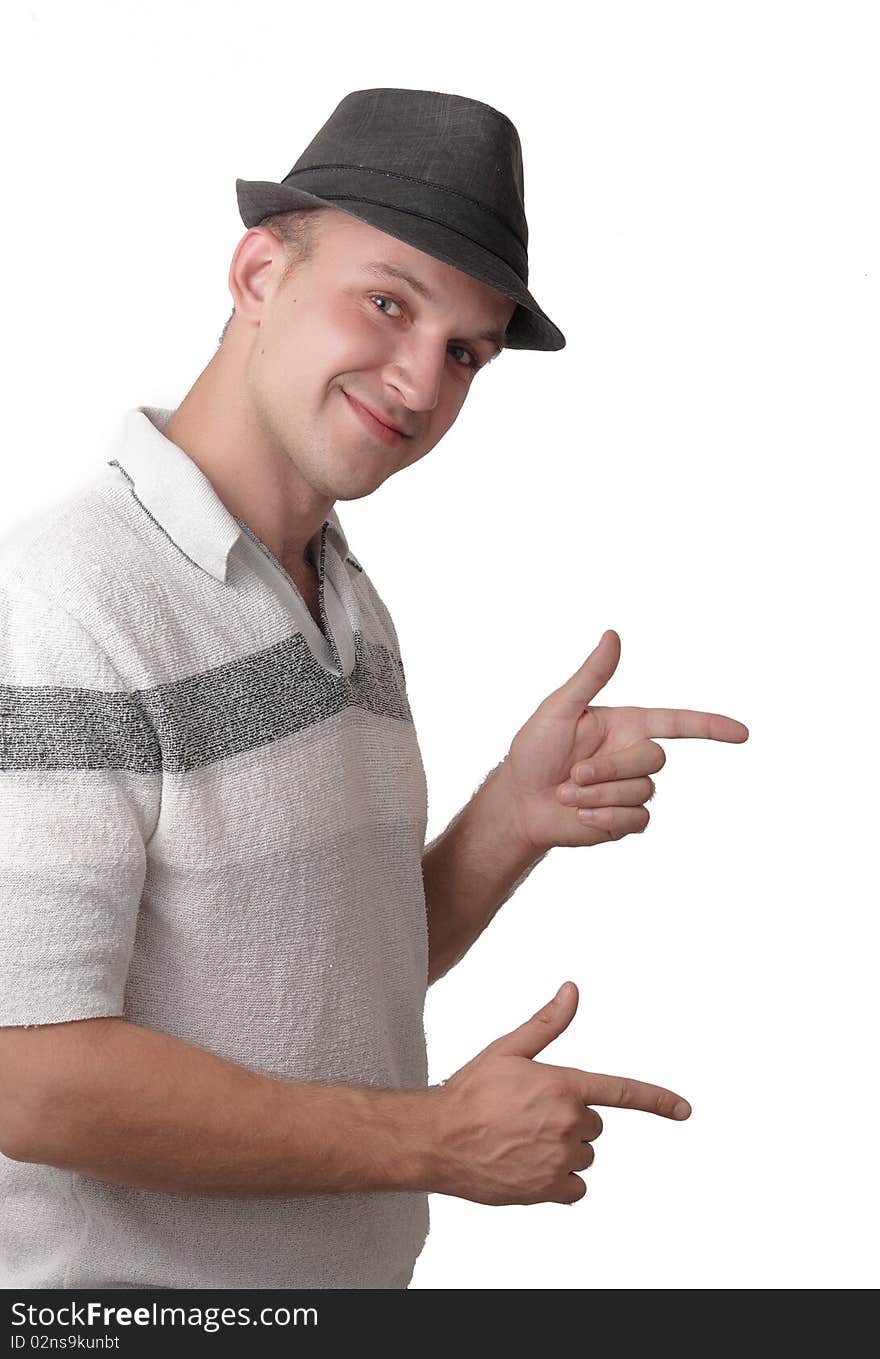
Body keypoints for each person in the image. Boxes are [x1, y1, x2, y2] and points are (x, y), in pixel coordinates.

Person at [0, 88, 748, 1290]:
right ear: (257, 274)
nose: (418, 381)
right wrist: (436, 1139)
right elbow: (26, 1079)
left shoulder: (340, 599)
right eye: (388, 301)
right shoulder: (66, 601)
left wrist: (509, 819)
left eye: (464, 352)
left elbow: (312, 969)